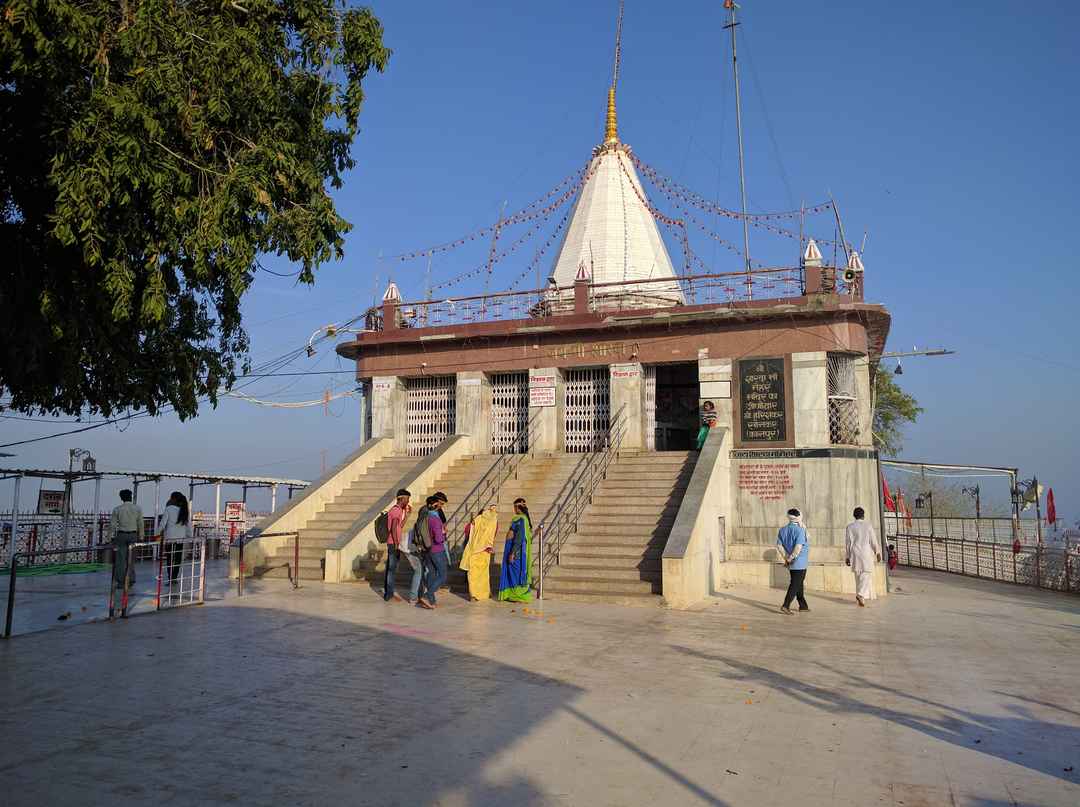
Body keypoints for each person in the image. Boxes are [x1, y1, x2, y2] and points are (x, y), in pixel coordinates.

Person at [844, 506, 881, 607]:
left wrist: (847, 556)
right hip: (865, 552)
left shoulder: (850, 527)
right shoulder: (868, 525)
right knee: (866, 574)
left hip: (855, 553)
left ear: (854, 516)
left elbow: (848, 543)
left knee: (858, 575)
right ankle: (861, 595)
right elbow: (873, 540)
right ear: (863, 515)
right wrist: (877, 552)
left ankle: (860, 599)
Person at [498, 498, 533, 602]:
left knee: (516, 574)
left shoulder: (521, 520)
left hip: (517, 552)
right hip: (513, 549)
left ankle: (519, 596)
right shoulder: (520, 519)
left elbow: (519, 538)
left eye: (514, 507)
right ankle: (513, 595)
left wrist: (512, 553)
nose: (514, 509)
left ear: (518, 508)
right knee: (512, 572)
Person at [460, 507, 498, 602]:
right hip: (484, 551)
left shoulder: (474, 522)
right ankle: (484, 593)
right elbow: (492, 535)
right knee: (483, 574)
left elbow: (467, 532)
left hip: (474, 551)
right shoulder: (492, 522)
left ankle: (473, 594)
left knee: (473, 574)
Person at [109, 489, 144, 594]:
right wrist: (141, 536)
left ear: (121, 498)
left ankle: (121, 582)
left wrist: (110, 537)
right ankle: (131, 580)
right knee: (131, 559)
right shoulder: (137, 508)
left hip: (121, 535)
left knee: (120, 559)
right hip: (133, 535)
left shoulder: (117, 509)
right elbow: (141, 523)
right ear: (131, 496)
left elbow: (113, 525)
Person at [419, 492, 449, 609]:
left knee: (431, 573)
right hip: (437, 549)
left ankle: (430, 600)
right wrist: (443, 533)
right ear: (436, 504)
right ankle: (428, 595)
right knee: (442, 575)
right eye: (440, 504)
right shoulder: (435, 519)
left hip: (428, 548)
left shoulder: (425, 514)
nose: (441, 506)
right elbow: (438, 538)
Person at [776, 507, 809, 614]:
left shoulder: (782, 530)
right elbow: (798, 547)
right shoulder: (800, 530)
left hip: (791, 561)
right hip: (799, 561)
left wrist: (786, 558)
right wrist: (790, 558)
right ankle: (786, 605)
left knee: (798, 582)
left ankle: (802, 605)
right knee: (795, 584)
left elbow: (779, 546)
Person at [382, 488, 412, 602]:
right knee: (391, 569)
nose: (408, 502)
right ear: (402, 499)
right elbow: (394, 527)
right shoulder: (396, 510)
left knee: (391, 568)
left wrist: (408, 515)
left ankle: (388, 592)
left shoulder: (399, 511)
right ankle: (388, 594)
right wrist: (395, 543)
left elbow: (399, 526)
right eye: (407, 499)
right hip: (392, 543)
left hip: (394, 542)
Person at [158, 491, 192, 587]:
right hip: (180, 538)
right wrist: (191, 536)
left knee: (169, 559)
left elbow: (163, 523)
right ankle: (174, 578)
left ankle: (170, 578)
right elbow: (188, 526)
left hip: (170, 538)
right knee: (177, 559)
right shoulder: (184, 510)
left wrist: (156, 533)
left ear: (173, 499)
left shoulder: (169, 509)